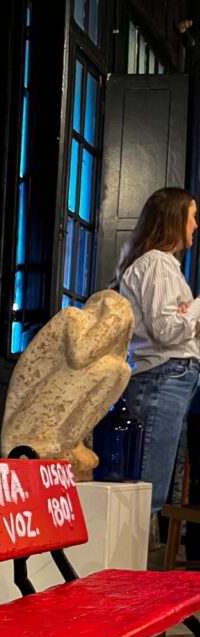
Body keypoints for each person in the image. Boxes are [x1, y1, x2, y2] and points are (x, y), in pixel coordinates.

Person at [114, 187, 200, 518]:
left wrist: (189, 313)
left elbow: (175, 326)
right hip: (161, 379)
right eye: (193, 216)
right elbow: (166, 330)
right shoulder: (156, 264)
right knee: (146, 490)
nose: (196, 225)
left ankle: (136, 550)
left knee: (151, 489)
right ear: (175, 219)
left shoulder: (165, 266)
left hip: (168, 379)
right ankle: (128, 553)